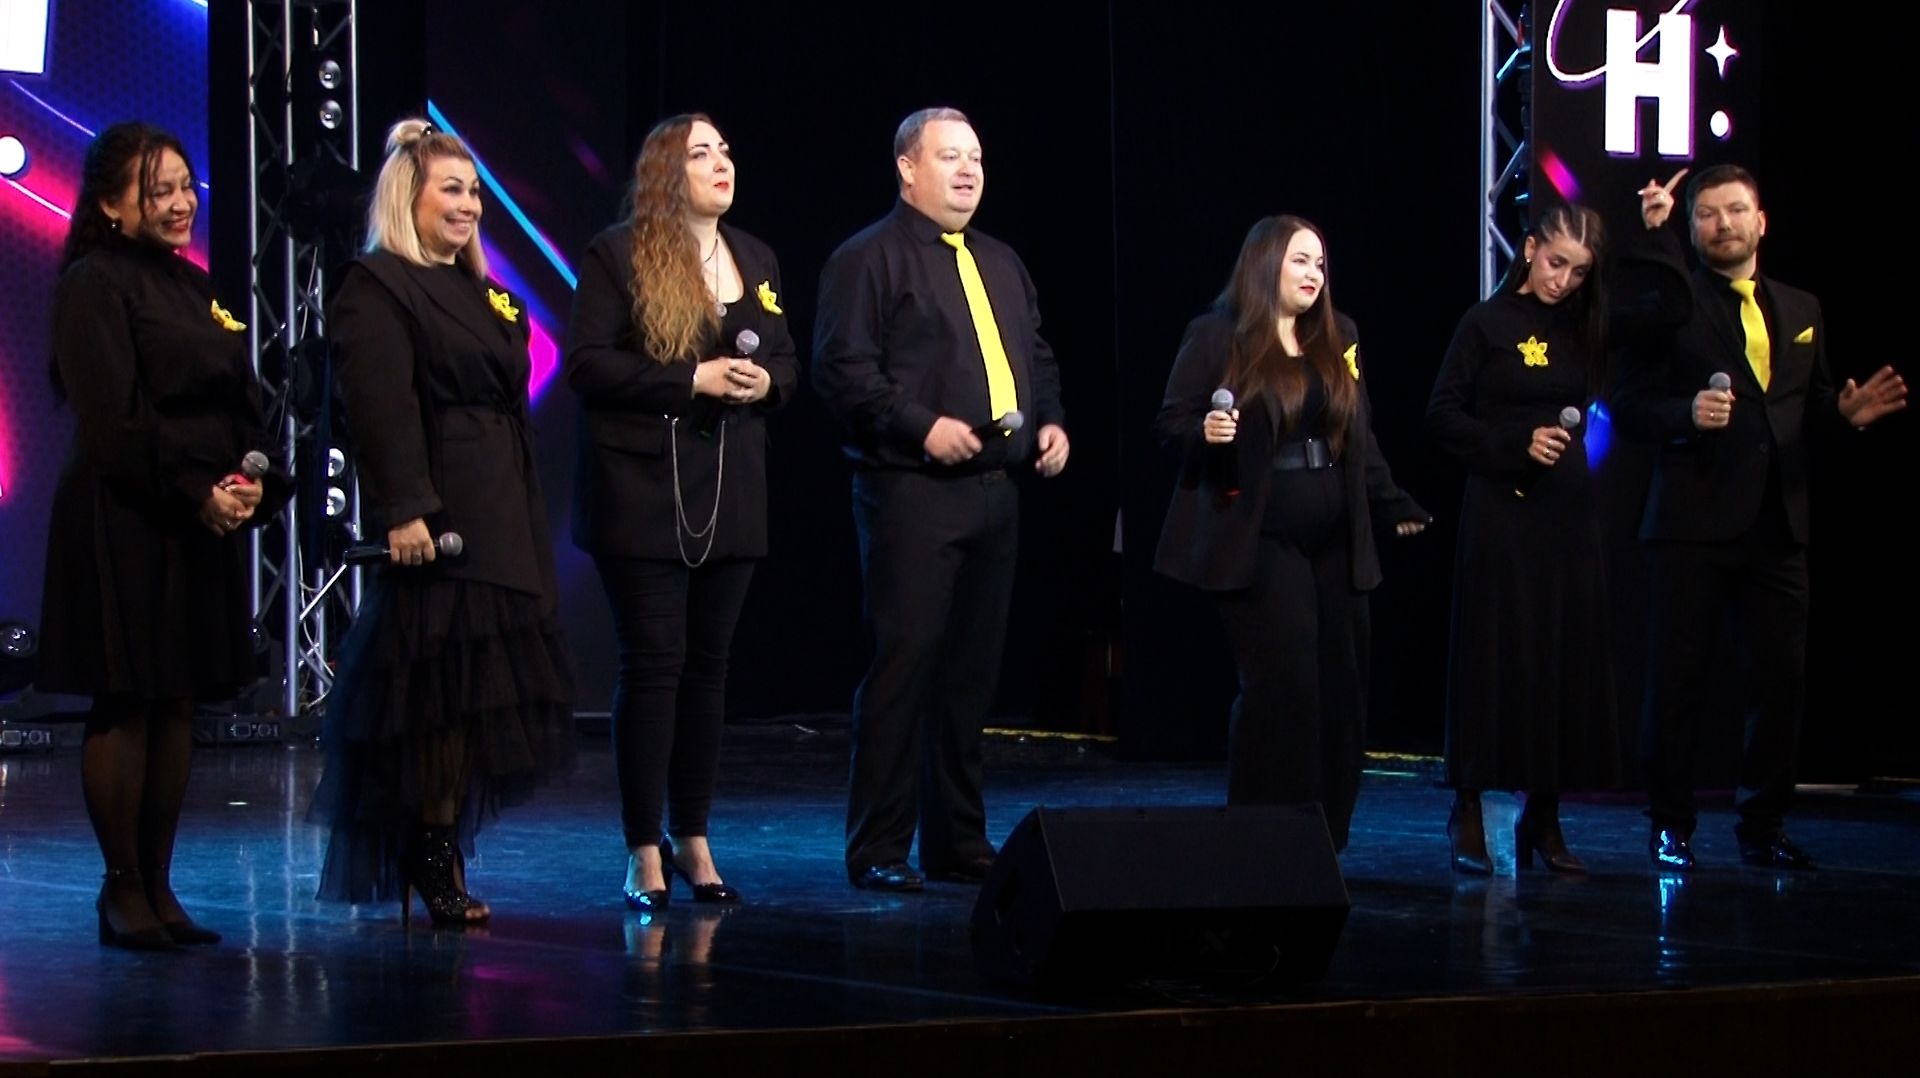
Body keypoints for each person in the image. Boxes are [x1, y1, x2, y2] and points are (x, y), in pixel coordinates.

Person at [310, 119, 575, 924]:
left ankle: (443, 841)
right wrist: (407, 508)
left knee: (475, 696)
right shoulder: (378, 285)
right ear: (409, 197)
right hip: (444, 512)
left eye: (474, 192)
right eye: (450, 190)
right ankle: (429, 851)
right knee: (438, 696)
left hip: (501, 505)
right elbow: (379, 406)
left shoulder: (481, 289)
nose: (468, 205)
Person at [37, 121, 290, 949]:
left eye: (186, 186)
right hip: (127, 515)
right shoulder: (94, 284)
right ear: (111, 205)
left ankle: (159, 883)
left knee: (177, 698)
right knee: (129, 695)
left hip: (201, 515)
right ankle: (121, 890)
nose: (181, 203)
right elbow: (114, 421)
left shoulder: (196, 286)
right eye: (159, 190)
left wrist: (250, 477)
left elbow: (242, 397)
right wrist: (192, 494)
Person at [1612, 164, 1906, 871]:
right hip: (1691, 520)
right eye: (1708, 214)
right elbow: (1627, 404)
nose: (1724, 224)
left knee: (1781, 683)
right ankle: (1670, 825)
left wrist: (1845, 415)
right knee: (1677, 681)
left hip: (1778, 522)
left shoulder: (1802, 307)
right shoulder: (1674, 302)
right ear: (1692, 229)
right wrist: (1685, 414)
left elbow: (1807, 407)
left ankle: (1763, 825)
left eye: (1736, 210)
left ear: (1761, 221)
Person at [813, 107, 1069, 892]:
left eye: (976, 159)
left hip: (996, 494)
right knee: (905, 668)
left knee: (969, 678)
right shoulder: (867, 258)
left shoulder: (1000, 260)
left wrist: (1051, 422)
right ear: (906, 168)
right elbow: (843, 370)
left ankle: (956, 840)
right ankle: (879, 846)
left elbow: (1035, 354)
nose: (967, 171)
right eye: (950, 157)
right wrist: (921, 426)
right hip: (913, 492)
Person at [1425, 176, 1691, 875]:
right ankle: (1468, 805)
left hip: (1567, 515)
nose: (1563, 280)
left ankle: (1543, 814)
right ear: (1530, 248)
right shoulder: (1485, 323)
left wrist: (1658, 232)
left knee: (1560, 658)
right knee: (1493, 656)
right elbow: (1442, 415)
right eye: (1555, 263)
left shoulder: (1584, 325)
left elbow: (1670, 311)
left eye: (1578, 271)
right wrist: (1513, 443)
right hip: (1501, 512)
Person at [564, 113, 796, 911]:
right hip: (643, 491)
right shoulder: (619, 253)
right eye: (701, 153)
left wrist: (767, 383)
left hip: (731, 489)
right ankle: (643, 848)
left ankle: (692, 835)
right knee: (654, 663)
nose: (721, 162)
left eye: (725, 150)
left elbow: (788, 361)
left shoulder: (755, 256)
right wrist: (689, 379)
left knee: (709, 670)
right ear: (668, 172)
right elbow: (587, 363)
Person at [1152, 215, 1428, 852]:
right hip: (1260, 538)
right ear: (1265, 263)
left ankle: (1324, 839)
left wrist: (1390, 501)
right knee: (1284, 688)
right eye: (1300, 261)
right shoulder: (1217, 335)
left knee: (1342, 687)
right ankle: (1265, 838)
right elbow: (1172, 422)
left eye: (1320, 264)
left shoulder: (1338, 335)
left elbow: (1360, 433)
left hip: (1334, 537)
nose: (1313, 275)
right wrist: (1205, 433)